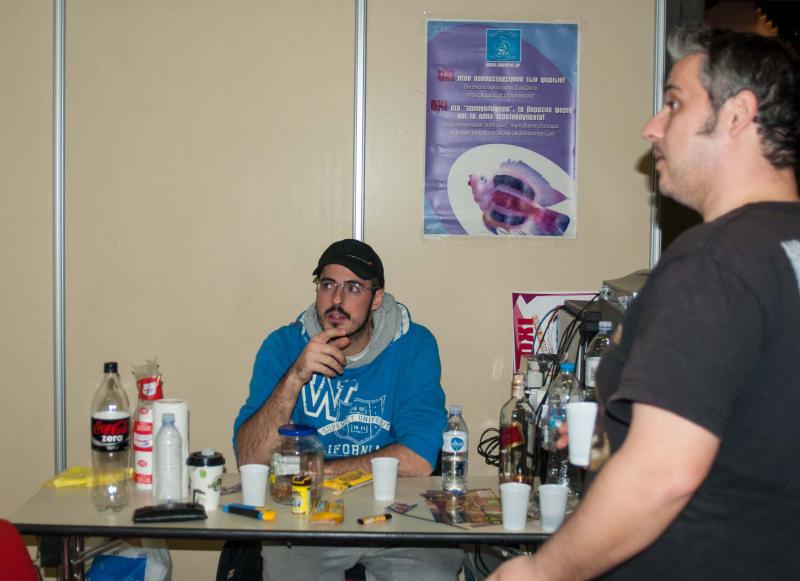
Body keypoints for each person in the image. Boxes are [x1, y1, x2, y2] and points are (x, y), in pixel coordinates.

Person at [489, 25, 800, 581]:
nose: (652, 127)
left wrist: (541, 572)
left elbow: (663, 475)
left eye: (674, 103)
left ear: (737, 115)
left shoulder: (713, 262)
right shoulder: (780, 248)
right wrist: (621, 432)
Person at [234, 238, 464, 581]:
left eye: (353, 287)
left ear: (377, 298)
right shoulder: (283, 346)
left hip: (397, 515)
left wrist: (317, 471)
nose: (337, 300)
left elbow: (418, 459)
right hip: (307, 517)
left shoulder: (414, 346)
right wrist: (294, 377)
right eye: (328, 285)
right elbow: (250, 460)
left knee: (433, 571)